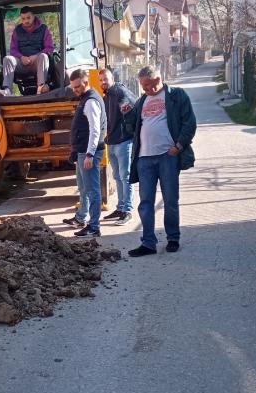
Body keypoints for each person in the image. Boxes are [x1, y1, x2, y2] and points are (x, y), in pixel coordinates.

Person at [123, 65, 197, 257]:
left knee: (170, 199)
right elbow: (133, 127)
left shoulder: (176, 95)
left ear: (158, 80)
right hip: (144, 158)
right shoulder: (142, 100)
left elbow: (190, 123)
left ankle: (173, 238)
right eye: (142, 86)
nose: (145, 89)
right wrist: (127, 114)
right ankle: (148, 243)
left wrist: (179, 146)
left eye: (147, 85)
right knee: (145, 202)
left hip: (168, 156)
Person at [61, 68, 106, 238]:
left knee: (92, 189)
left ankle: (94, 226)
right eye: (73, 87)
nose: (75, 90)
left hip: (88, 154)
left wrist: (89, 154)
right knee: (84, 188)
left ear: (86, 82)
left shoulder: (90, 102)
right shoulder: (85, 99)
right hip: (82, 151)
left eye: (77, 87)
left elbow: (95, 130)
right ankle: (81, 217)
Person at [99, 66, 136, 225]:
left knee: (125, 176)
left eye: (105, 79)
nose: (103, 82)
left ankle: (127, 210)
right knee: (117, 177)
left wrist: (128, 130)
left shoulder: (119, 92)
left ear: (112, 78)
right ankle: (120, 208)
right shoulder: (107, 96)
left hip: (123, 141)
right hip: (112, 142)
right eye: (101, 80)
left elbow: (132, 107)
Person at [0, 7, 55, 96]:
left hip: (37, 63)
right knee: (7, 59)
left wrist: (36, 56)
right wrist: (21, 57)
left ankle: (41, 87)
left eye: (28, 18)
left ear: (33, 16)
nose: (26, 21)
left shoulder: (43, 29)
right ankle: (7, 90)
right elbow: (13, 50)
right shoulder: (17, 30)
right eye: (23, 18)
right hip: (22, 63)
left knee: (43, 56)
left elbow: (49, 48)